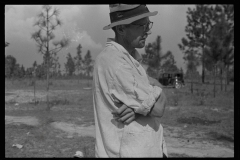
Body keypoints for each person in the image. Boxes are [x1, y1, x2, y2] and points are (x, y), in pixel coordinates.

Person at [92, 4, 168, 157]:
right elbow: (159, 109)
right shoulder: (117, 64)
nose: (148, 31)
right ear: (120, 29)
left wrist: (137, 111)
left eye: (148, 24)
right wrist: (155, 91)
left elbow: (155, 103)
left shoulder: (128, 59)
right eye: (141, 26)